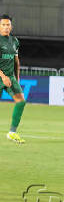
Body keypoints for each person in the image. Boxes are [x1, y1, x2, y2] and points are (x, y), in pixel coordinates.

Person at [0, 15, 26, 144]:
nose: (6, 27)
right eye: (3, 25)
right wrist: (3, 77)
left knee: (21, 101)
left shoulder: (14, 41)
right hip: (1, 76)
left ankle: (12, 132)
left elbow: (16, 61)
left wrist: (17, 79)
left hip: (10, 77)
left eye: (8, 25)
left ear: (11, 26)